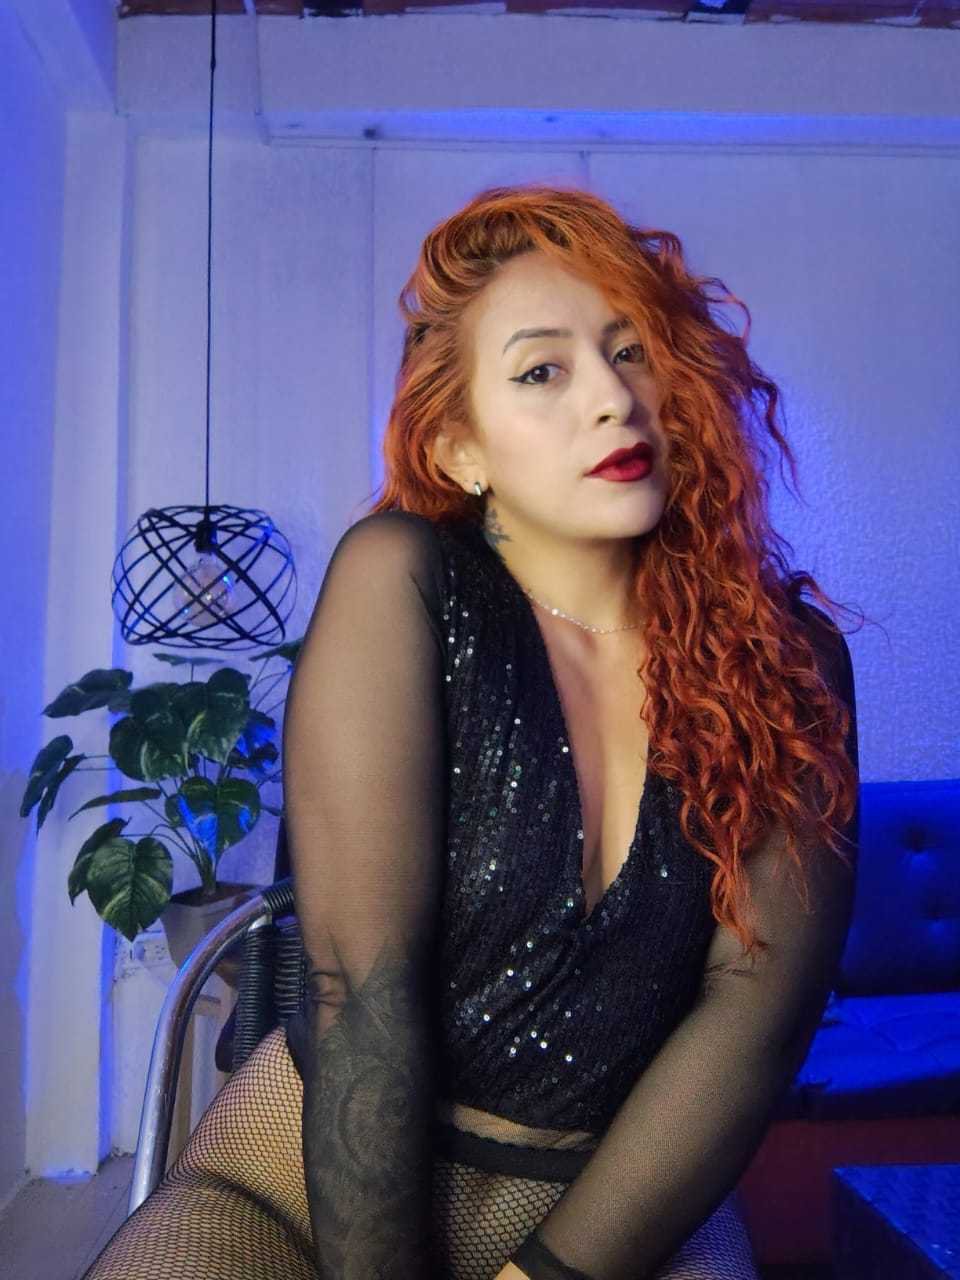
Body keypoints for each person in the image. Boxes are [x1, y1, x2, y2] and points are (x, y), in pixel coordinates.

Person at [82, 183, 861, 1280]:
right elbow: (361, 990)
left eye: (631, 353)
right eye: (543, 371)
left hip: (622, 1216)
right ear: (461, 449)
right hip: (307, 1191)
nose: (612, 399)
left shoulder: (789, 659)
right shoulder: (402, 582)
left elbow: (756, 1011)